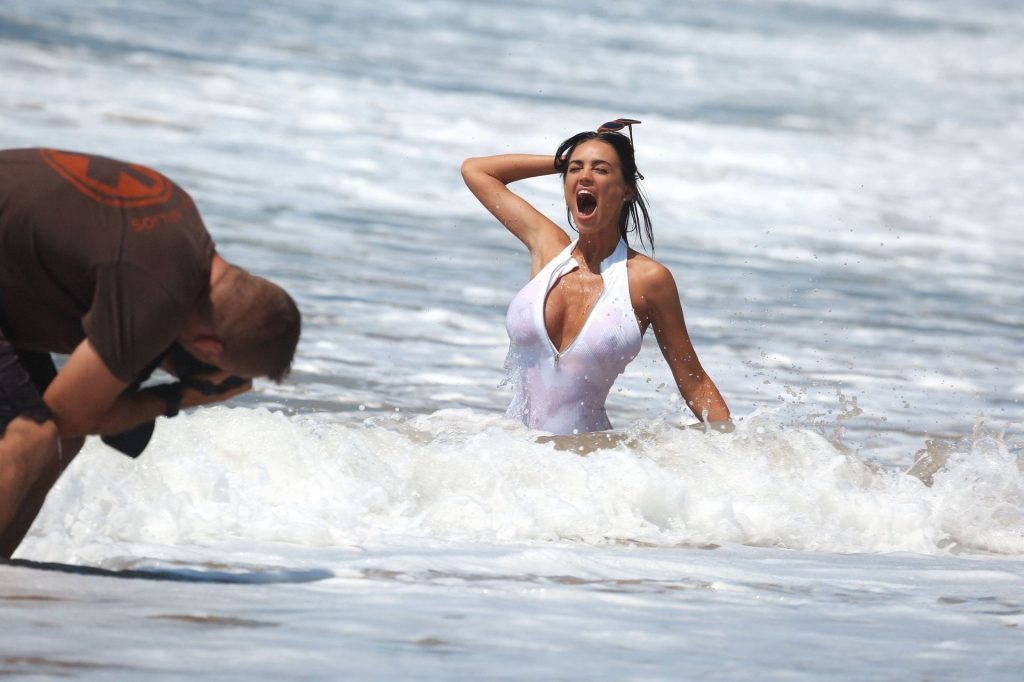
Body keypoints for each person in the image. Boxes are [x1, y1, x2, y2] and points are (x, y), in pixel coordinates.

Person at [0, 147, 301, 557]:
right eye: (214, 364)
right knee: (31, 433)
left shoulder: (185, 231)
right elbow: (68, 417)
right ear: (209, 347)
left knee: (53, 442)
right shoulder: (155, 295)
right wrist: (182, 396)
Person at [461, 118, 730, 435]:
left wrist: (736, 459)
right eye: (575, 170)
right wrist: (566, 158)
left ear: (626, 189)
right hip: (518, 461)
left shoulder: (647, 280)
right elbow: (476, 171)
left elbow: (694, 382)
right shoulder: (549, 250)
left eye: (601, 170)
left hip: (591, 469)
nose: (584, 176)